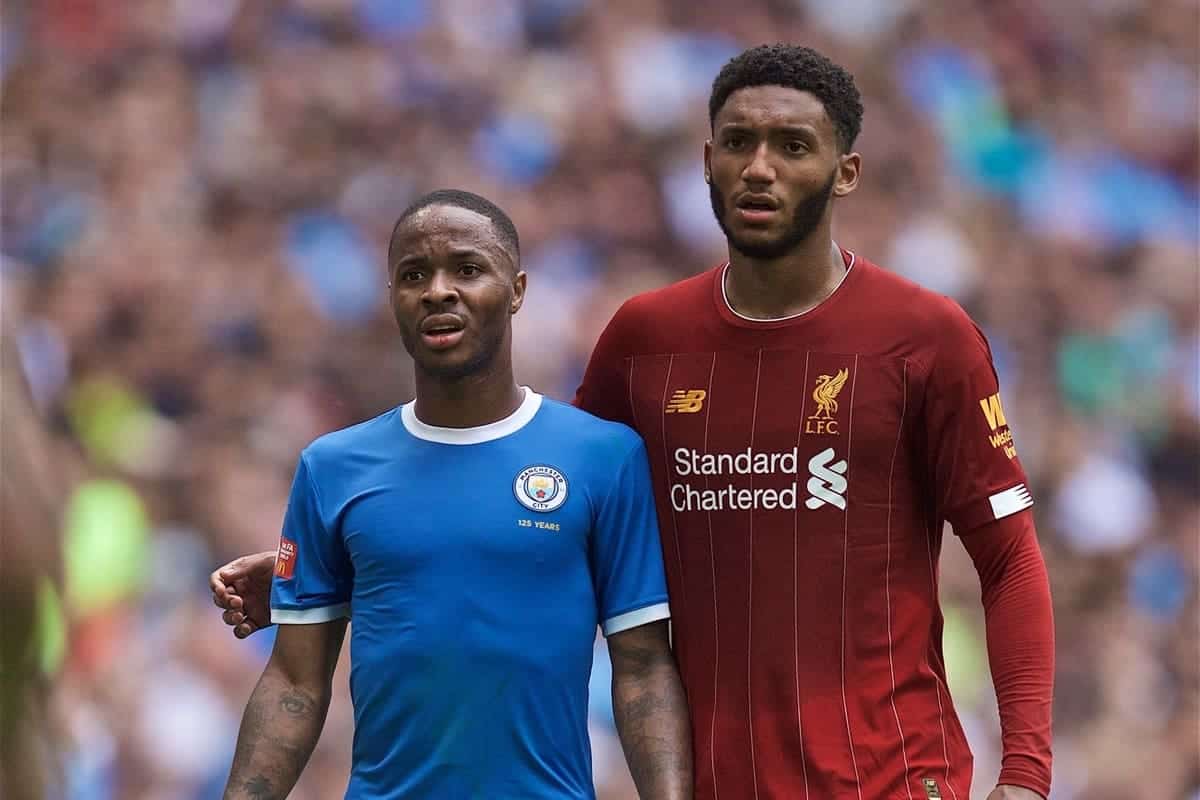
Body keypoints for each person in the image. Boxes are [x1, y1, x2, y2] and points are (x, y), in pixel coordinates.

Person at [213, 45, 1055, 800]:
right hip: (710, 780)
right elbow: (548, 510)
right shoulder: (646, 341)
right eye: (737, 143)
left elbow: (1010, 558)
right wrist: (331, 564)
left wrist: (1024, 775)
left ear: (846, 172)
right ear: (706, 161)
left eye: (793, 146)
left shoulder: (925, 338)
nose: (759, 168)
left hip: (891, 777)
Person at [217, 189, 692, 800]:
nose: (438, 290)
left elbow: (644, 668)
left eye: (467, 269)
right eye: (414, 274)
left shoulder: (603, 457)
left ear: (517, 289)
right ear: (393, 299)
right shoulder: (332, 467)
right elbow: (294, 681)